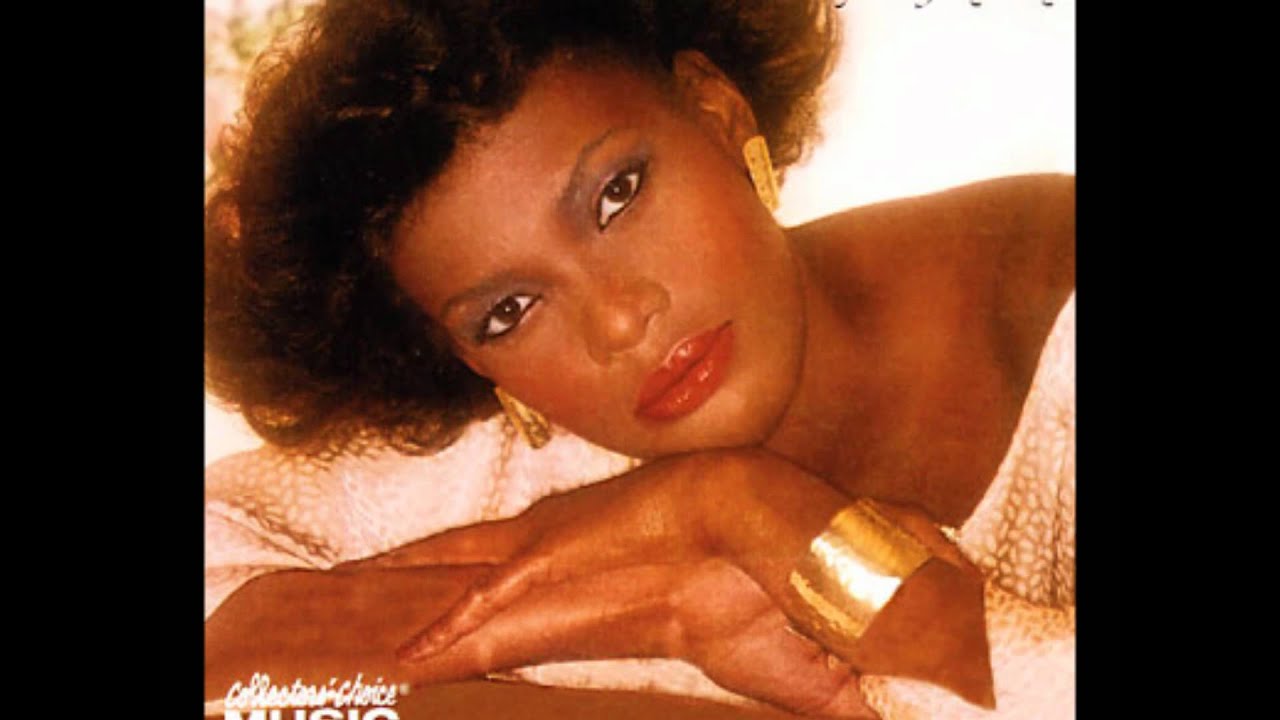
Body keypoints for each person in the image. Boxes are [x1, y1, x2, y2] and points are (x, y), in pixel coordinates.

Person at [204, 1, 1075, 718]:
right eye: (509, 312)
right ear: (468, 362)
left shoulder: (1049, 296)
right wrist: (684, 569)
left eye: (617, 195)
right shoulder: (508, 448)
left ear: (717, 112)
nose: (619, 322)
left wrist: (776, 529)